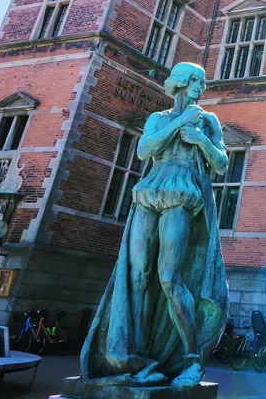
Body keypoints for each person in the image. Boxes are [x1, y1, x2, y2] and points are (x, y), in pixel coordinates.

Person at [82, 62, 229, 388]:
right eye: (196, 82)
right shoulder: (158, 119)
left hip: (182, 195)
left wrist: (201, 140)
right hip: (149, 193)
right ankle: (137, 357)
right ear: (181, 83)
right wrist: (179, 124)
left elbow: (221, 164)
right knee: (138, 277)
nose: (201, 89)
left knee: (169, 277)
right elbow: (144, 150)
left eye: (202, 83)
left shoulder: (208, 121)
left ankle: (191, 360)